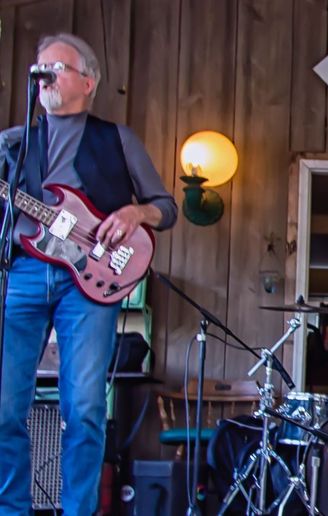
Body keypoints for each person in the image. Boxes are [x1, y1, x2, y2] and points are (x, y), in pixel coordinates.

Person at [0, 33, 177, 514]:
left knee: (83, 408)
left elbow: (166, 207)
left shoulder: (117, 139)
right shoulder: (15, 144)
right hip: (24, 273)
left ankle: (78, 510)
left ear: (88, 81)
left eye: (56, 68)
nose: (45, 78)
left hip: (89, 284)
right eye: (39, 70)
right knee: (4, 406)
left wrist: (135, 215)